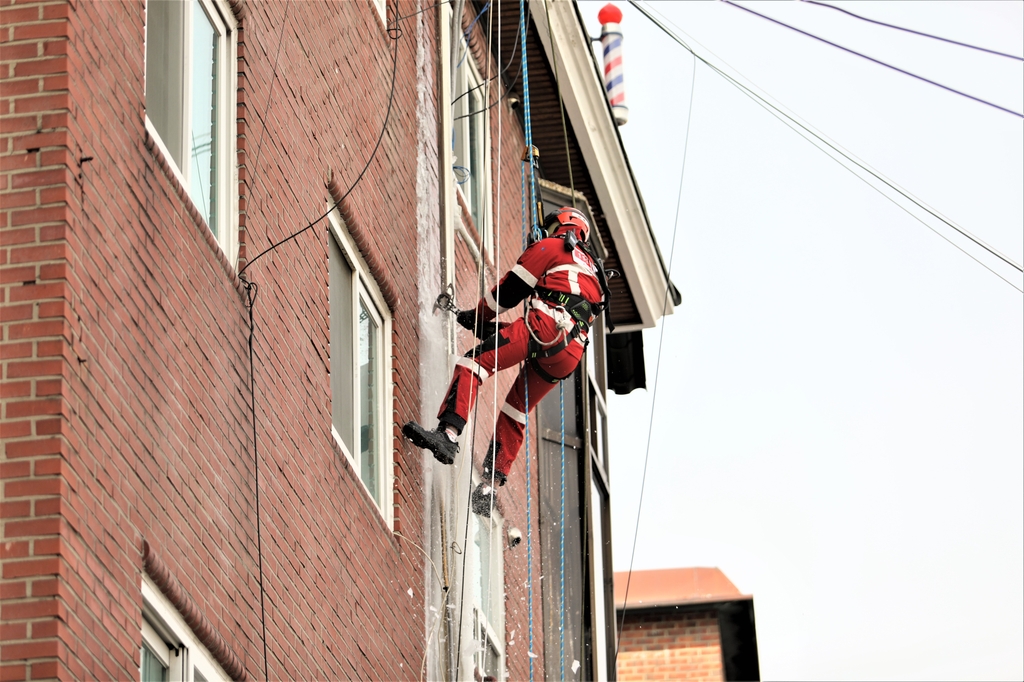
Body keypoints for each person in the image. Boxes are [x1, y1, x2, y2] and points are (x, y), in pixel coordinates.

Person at [403, 207, 611, 516]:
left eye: (551, 225)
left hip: (545, 327)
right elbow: (549, 317)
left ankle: (447, 436)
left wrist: (477, 316)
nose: (547, 230)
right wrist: (485, 326)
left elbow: (509, 291)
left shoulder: (554, 246)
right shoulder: (593, 270)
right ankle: (488, 486)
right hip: (569, 353)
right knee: (517, 409)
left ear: (564, 225)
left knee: (476, 361)